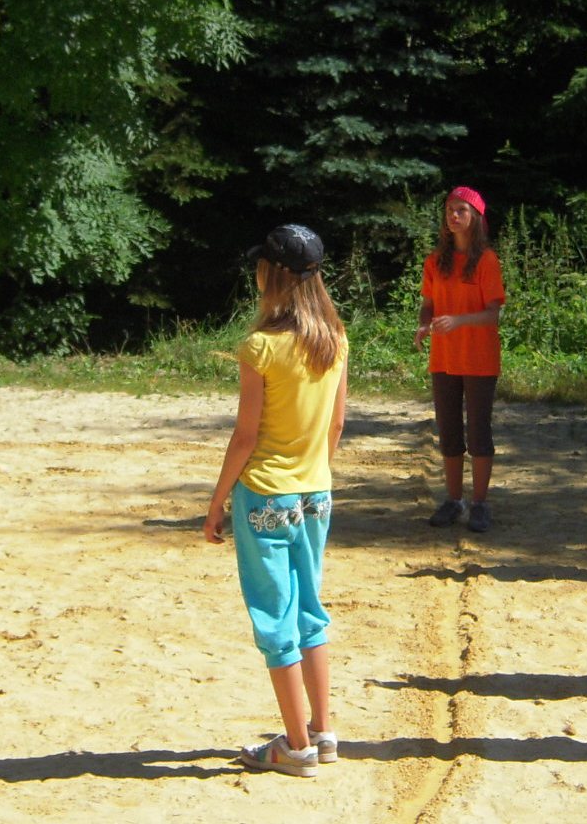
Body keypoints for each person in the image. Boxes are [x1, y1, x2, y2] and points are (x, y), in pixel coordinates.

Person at [203, 224, 348, 778]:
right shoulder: (334, 339)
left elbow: (246, 436)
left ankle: (296, 747)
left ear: (273, 275)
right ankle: (323, 731)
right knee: (310, 608)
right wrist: (314, 473)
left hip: (265, 493)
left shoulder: (260, 346)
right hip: (315, 493)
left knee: (274, 617)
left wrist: (217, 501)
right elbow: (336, 424)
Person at [415, 187, 505, 533]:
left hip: (479, 360)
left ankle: (480, 504)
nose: (454, 215)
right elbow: (428, 304)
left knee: (479, 433)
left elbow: (492, 314)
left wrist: (459, 321)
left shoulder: (486, 261)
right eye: (450, 210)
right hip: (444, 359)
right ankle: (454, 501)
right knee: (449, 432)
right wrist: (424, 324)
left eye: (461, 210)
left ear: (476, 218)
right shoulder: (435, 261)